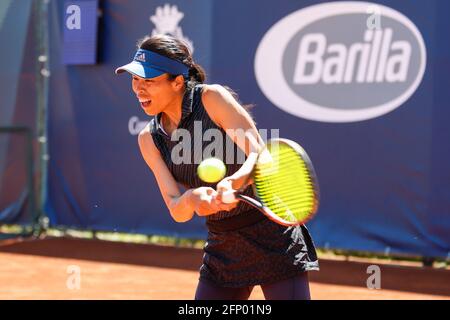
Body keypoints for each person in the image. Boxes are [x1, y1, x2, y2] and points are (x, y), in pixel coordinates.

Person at [115, 34, 319, 300]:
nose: (139, 89)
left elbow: (259, 153)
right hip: (222, 247)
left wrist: (235, 182)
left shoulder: (212, 99)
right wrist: (192, 198)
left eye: (149, 81)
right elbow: (177, 209)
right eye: (135, 80)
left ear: (177, 82)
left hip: (273, 236)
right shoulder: (149, 139)